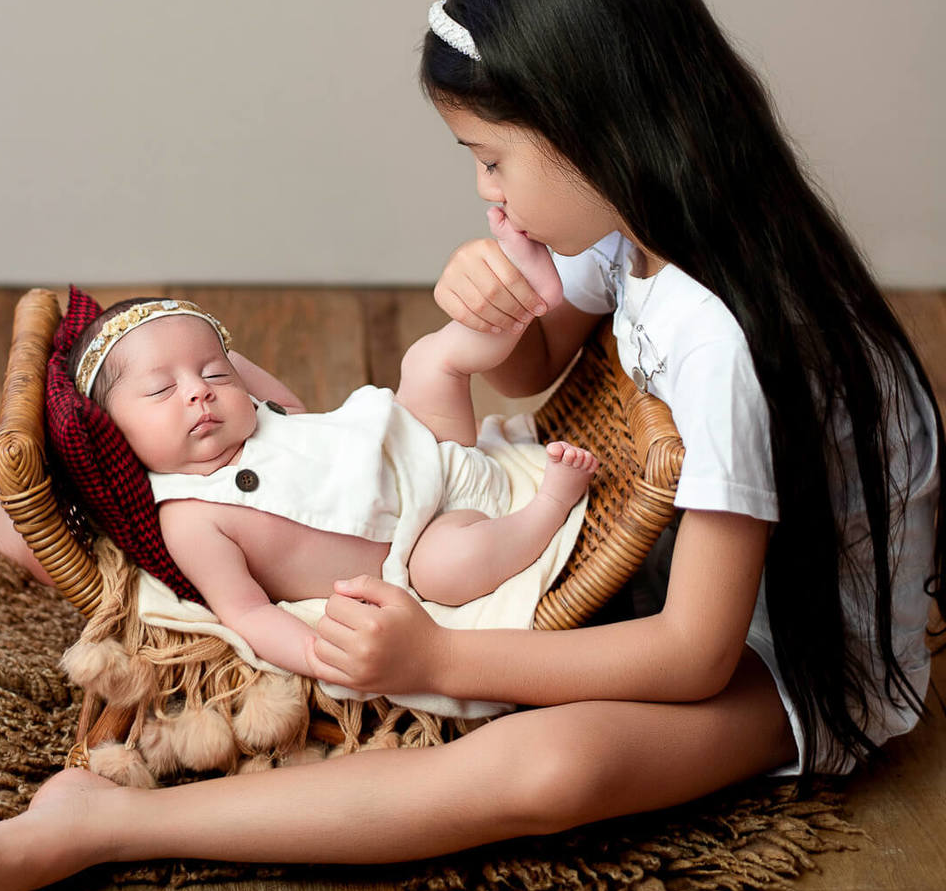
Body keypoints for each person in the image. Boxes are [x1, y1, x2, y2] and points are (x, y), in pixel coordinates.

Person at [0, 0, 946, 891]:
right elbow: (532, 364)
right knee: (322, 514)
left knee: (548, 769)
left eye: (491, 159)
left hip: (782, 654)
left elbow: (695, 656)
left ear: (597, 132)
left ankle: (112, 824)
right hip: (654, 554)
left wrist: (434, 664)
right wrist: (495, 298)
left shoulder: (723, 338)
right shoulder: (638, 227)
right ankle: (101, 555)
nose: (482, 187)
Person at [52, 279, 598, 675]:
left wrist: (211, 353)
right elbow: (247, 611)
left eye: (215, 373)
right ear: (114, 431)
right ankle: (548, 506)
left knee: (430, 360)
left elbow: (291, 404)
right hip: (416, 543)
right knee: (445, 572)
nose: (199, 391)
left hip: (421, 441)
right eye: (161, 390)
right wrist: (310, 654)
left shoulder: (262, 415)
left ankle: (527, 301)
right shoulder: (191, 518)